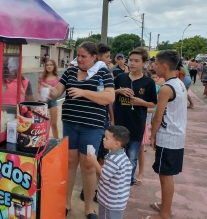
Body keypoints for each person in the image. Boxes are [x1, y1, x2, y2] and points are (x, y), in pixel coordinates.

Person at [44, 42, 115, 219]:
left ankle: (89, 208)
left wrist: (83, 92)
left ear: (94, 57)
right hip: (70, 124)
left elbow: (109, 97)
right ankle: (66, 203)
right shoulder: (70, 72)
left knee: (89, 166)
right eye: (78, 55)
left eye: (83, 56)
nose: (79, 59)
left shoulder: (102, 72)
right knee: (69, 164)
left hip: (91, 127)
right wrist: (49, 91)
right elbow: (58, 92)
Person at [142, 50, 187, 219]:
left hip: (168, 137)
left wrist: (152, 136)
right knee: (167, 174)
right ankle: (164, 205)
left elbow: (157, 117)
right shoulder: (179, 83)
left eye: (156, 63)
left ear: (164, 66)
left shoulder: (166, 88)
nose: (153, 66)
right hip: (176, 136)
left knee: (165, 176)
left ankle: (165, 213)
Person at [113, 47, 157, 186]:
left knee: (132, 157)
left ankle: (127, 183)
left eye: (136, 61)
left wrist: (141, 102)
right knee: (116, 156)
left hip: (136, 125)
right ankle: (115, 182)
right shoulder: (120, 78)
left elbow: (153, 103)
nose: (132, 63)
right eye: (130, 60)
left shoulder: (148, 82)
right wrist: (118, 91)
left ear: (144, 63)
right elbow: (109, 94)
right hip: (119, 125)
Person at [80, 43, 115, 202]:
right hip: (91, 123)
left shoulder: (105, 74)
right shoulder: (89, 73)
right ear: (97, 56)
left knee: (98, 158)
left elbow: (108, 99)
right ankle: (90, 191)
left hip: (100, 122)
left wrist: (111, 118)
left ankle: (95, 191)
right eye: (107, 57)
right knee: (91, 161)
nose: (109, 60)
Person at [87, 125, 132, 219]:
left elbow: (104, 175)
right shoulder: (120, 155)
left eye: (107, 138)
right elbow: (111, 171)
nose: (103, 139)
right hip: (113, 199)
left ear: (116, 144)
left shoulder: (114, 159)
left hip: (111, 201)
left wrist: (95, 162)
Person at [134, 69, 160, 186]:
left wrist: (140, 104)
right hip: (131, 121)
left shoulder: (153, 88)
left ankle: (141, 173)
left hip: (142, 122)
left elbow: (153, 107)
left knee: (140, 150)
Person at [38, 59, 60, 138]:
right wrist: (40, 100)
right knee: (42, 124)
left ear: (54, 66)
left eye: (51, 65)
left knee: (53, 124)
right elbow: (38, 91)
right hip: (42, 102)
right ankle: (43, 141)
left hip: (53, 102)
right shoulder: (42, 77)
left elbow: (58, 93)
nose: (49, 66)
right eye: (47, 65)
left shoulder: (57, 78)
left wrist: (52, 97)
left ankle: (57, 142)